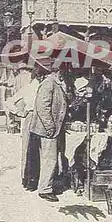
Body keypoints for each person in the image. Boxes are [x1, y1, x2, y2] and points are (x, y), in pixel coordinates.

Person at [29, 65, 68, 202]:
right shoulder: (48, 84)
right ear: (57, 72)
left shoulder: (55, 84)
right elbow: (42, 107)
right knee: (49, 159)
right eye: (62, 72)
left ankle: (47, 185)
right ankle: (45, 189)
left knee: (49, 159)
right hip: (48, 130)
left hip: (52, 129)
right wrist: (50, 127)